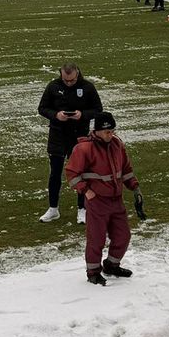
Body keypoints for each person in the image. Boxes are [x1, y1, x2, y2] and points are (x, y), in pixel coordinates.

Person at [65, 111, 141, 285]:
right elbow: (72, 174)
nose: (111, 134)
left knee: (123, 235)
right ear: (97, 131)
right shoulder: (83, 148)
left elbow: (126, 169)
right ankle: (93, 272)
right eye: (107, 132)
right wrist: (86, 191)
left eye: (112, 131)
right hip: (97, 201)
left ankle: (112, 265)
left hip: (116, 199)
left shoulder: (117, 144)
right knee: (96, 238)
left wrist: (135, 188)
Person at [37, 63, 103, 223]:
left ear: (77, 73)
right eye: (66, 80)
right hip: (57, 135)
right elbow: (42, 108)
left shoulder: (87, 87)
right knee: (55, 173)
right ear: (61, 75)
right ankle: (53, 209)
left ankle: (82, 209)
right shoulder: (53, 86)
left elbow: (98, 109)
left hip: (79, 136)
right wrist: (56, 115)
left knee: (81, 173)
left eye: (72, 80)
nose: (69, 83)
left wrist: (82, 115)